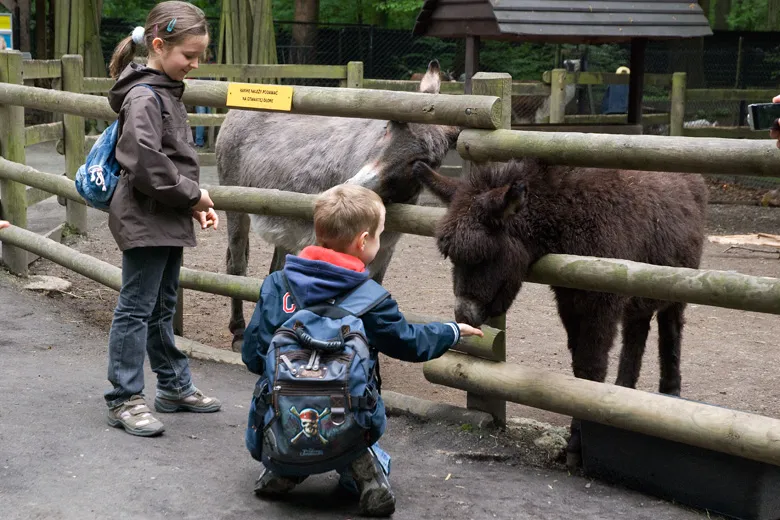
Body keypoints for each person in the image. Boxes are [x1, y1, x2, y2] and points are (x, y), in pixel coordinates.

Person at [242, 184, 483, 516]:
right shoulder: (371, 298)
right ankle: (365, 473)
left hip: (285, 416)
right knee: (355, 415)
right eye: (380, 235)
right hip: (349, 419)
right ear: (363, 242)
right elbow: (408, 342)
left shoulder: (276, 285)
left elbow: (254, 353)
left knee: (285, 406)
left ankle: (283, 466)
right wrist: (451, 332)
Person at [104, 1, 221, 437]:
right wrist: (195, 195)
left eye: (199, 56)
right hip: (144, 216)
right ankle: (124, 398)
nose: (194, 64)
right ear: (158, 45)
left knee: (162, 306)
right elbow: (146, 163)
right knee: (135, 308)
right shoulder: (144, 95)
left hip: (165, 215)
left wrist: (194, 204)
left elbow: (169, 160)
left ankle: (172, 386)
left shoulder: (165, 88)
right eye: (188, 56)